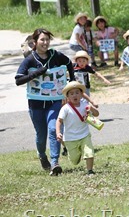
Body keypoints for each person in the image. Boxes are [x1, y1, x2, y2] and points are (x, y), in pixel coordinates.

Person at [15, 28, 76, 176]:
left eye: (47, 39)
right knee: (41, 135)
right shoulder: (29, 59)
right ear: (35, 42)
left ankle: (55, 162)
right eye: (42, 40)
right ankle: (42, 156)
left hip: (54, 101)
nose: (45, 42)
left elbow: (69, 63)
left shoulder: (55, 55)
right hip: (36, 103)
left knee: (54, 129)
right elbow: (18, 80)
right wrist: (36, 73)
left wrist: (71, 81)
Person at [55, 81, 98, 175]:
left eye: (77, 93)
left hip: (84, 134)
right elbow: (59, 121)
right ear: (68, 97)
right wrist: (58, 133)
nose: (75, 95)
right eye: (71, 93)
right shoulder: (65, 108)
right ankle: (73, 154)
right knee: (74, 161)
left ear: (82, 95)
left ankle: (90, 171)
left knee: (89, 152)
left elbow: (96, 114)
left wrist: (92, 109)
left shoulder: (85, 105)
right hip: (70, 138)